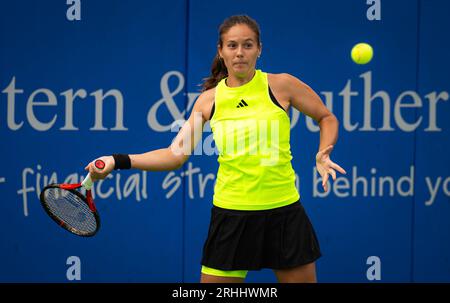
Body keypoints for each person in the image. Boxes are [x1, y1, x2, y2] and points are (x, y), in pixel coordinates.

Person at [85, 15, 346, 283]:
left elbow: (326, 117)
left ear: (259, 49)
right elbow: (174, 155)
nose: (240, 53)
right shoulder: (208, 101)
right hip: (230, 215)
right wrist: (117, 160)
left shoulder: (280, 85)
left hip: (283, 213)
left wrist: (323, 151)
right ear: (221, 52)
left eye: (247, 45)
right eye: (232, 46)